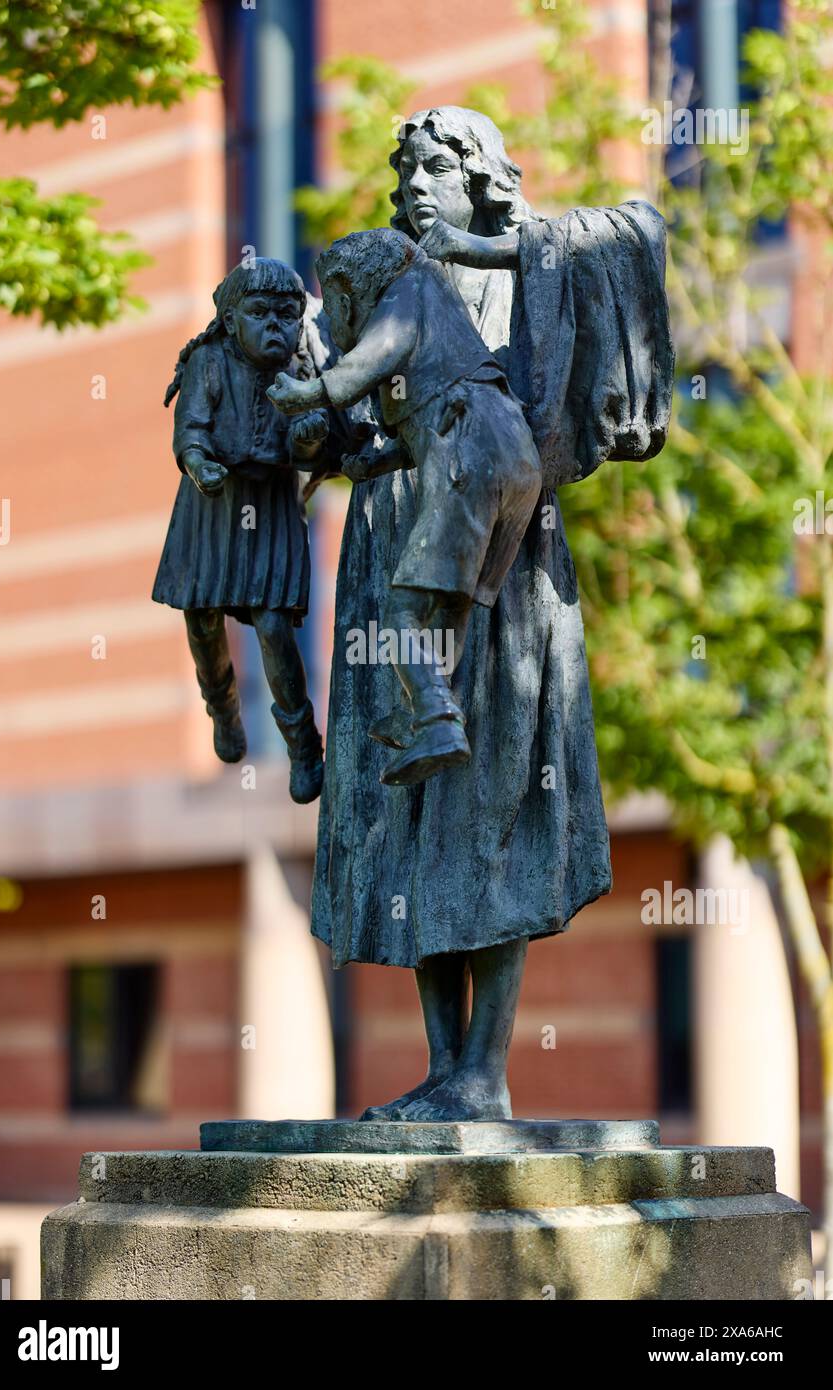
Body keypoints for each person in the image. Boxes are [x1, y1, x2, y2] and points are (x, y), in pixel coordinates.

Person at [312, 108, 674, 1121]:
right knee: (406, 817)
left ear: (485, 178)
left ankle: (483, 1070)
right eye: (409, 169)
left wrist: (490, 244)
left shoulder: (531, 262)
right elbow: (345, 426)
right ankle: (443, 1070)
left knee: (493, 802)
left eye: (441, 164)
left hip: (501, 568)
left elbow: (636, 232)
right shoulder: (382, 285)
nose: (418, 183)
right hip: (394, 551)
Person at [268, 227, 541, 787]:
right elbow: (426, 409)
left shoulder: (406, 291)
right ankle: (426, 703)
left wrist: (305, 394)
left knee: (401, 611)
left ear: (346, 293)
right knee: (453, 603)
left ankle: (437, 718)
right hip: (513, 456)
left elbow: (366, 363)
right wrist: (382, 460)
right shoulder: (439, 304)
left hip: (468, 448)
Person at [153, 259, 327, 804]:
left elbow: (313, 451)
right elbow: (191, 429)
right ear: (230, 321)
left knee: (274, 628)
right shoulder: (208, 362)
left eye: (288, 314)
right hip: (213, 503)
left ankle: (302, 744)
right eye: (260, 313)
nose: (276, 325)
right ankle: (223, 710)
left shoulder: (302, 369)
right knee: (201, 622)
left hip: (270, 503)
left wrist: (309, 438)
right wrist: (199, 462)